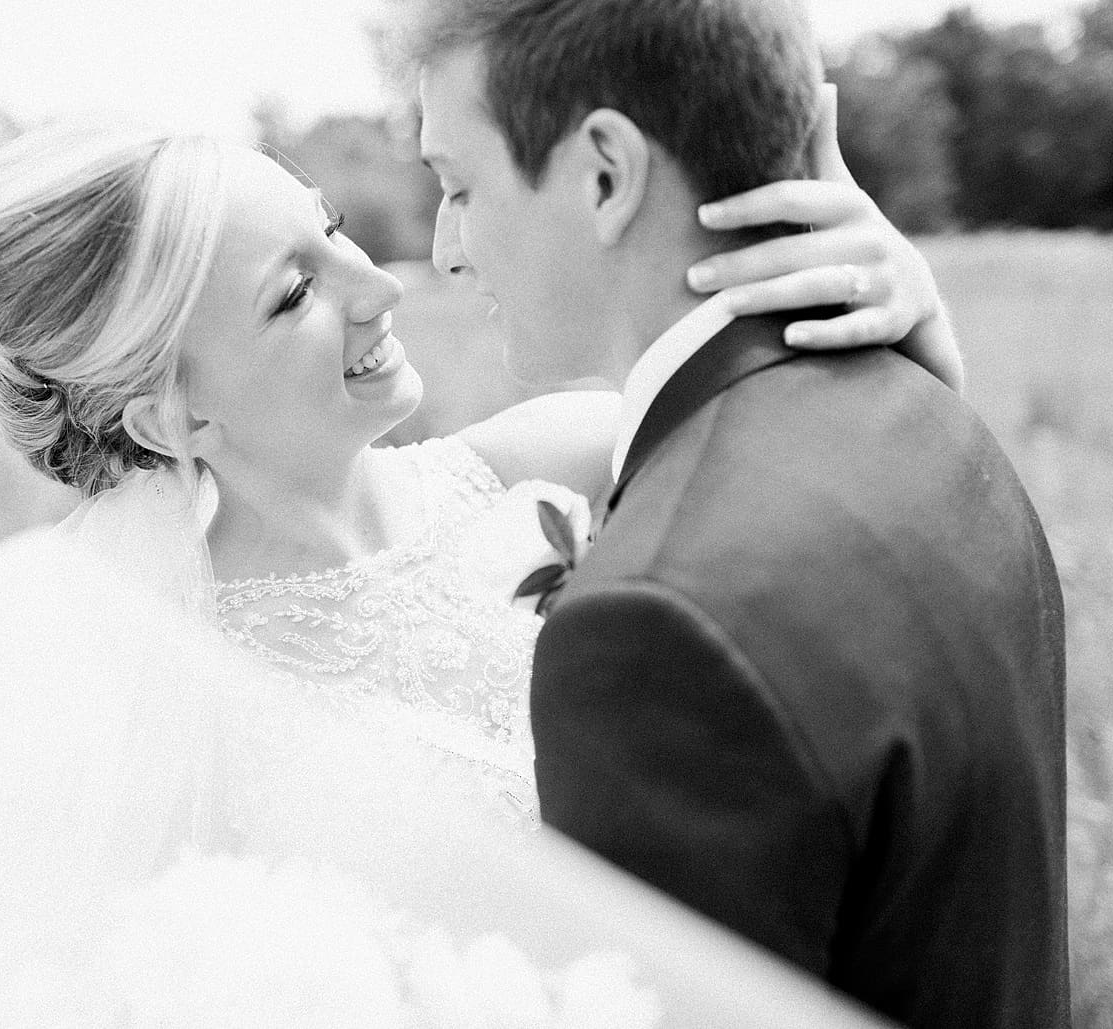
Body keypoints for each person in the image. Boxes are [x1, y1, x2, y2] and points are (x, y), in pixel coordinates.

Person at [0, 105, 956, 1025]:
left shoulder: (559, 465)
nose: (380, 284)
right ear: (166, 418)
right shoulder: (156, 696)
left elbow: (865, 488)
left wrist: (909, 299)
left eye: (328, 229)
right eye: (293, 295)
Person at [410, 1, 1068, 1027]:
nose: (447, 250)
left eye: (459, 185)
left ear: (603, 174)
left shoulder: (656, 626)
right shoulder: (930, 408)